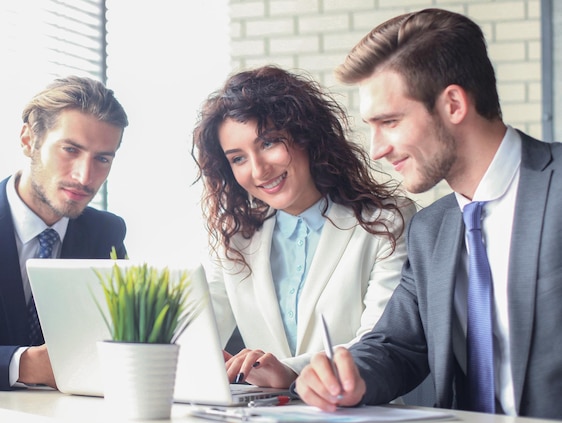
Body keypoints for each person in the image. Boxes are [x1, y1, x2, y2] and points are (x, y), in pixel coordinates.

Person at [295, 8, 562, 420]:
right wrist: (346, 376)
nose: (376, 149)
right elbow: (397, 345)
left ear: (453, 104)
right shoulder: (430, 228)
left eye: (390, 122)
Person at [191, 65, 415, 389]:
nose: (258, 170)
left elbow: (381, 342)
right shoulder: (234, 237)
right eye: (238, 158)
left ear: (305, 134)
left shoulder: (385, 223)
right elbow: (197, 329)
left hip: (358, 411)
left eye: (268, 143)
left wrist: (292, 371)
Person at [0, 75, 129, 390]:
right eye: (70, 150)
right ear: (28, 140)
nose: (85, 176)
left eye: (102, 159)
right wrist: (22, 363)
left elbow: (122, 346)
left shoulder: (105, 233)